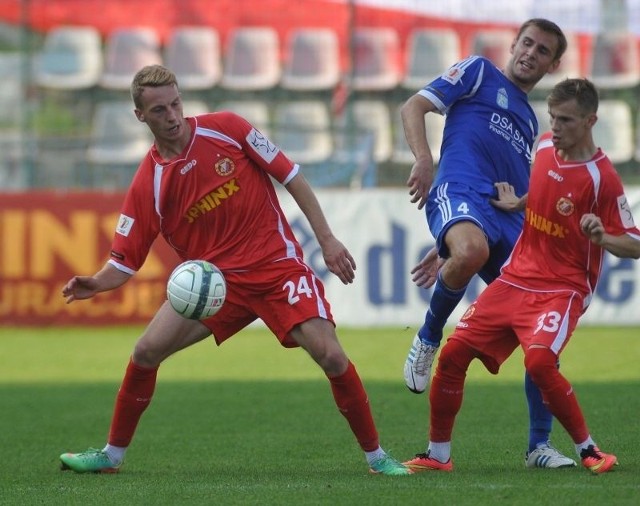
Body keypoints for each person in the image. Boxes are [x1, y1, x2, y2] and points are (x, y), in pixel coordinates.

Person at [58, 65, 410, 476]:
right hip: (217, 286)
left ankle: (377, 458)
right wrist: (97, 283)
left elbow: (292, 177)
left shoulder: (227, 128)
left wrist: (327, 240)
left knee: (330, 355)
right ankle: (110, 457)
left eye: (175, 104)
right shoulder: (149, 182)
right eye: (158, 110)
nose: (171, 116)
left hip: (276, 268)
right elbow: (124, 262)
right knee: (145, 352)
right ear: (140, 115)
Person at [404, 77, 640, 474]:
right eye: (553, 117)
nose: (556, 127)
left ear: (590, 121)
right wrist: (519, 203)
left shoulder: (603, 178)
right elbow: (547, 185)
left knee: (540, 363)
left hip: (561, 289)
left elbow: (634, 242)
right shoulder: (546, 145)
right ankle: (437, 455)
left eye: (565, 120)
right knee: (454, 354)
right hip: (515, 278)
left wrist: (603, 236)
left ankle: (589, 450)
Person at [401, 18, 577, 467]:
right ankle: (427, 335)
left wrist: (514, 205)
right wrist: (424, 159)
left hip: (501, 221)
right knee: (471, 250)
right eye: (527, 44)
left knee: (540, 338)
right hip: (459, 189)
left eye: (542, 51)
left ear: (553, 64)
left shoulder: (533, 122)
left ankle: (539, 446)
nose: (530, 54)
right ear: (513, 44)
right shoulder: (479, 71)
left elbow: (524, 195)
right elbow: (413, 106)